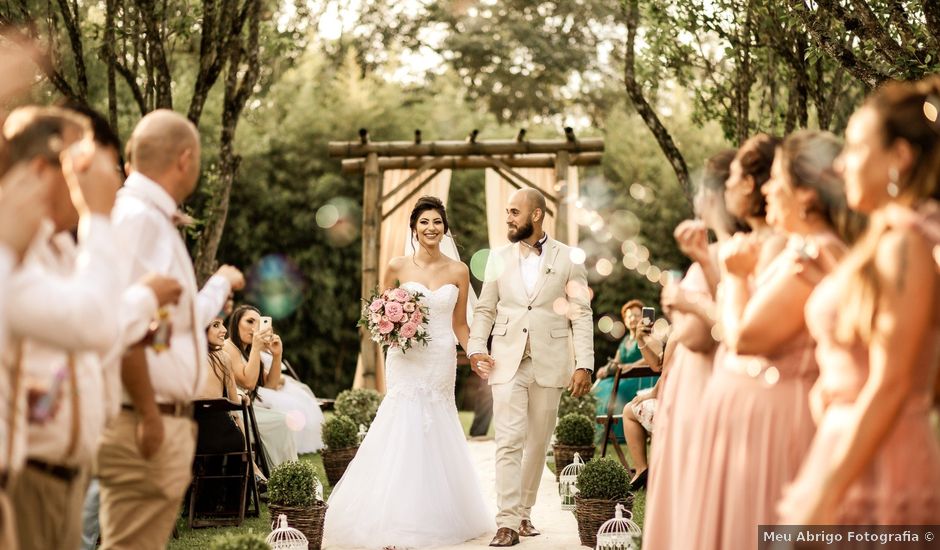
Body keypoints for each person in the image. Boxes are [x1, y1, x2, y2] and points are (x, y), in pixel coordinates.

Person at [778, 77, 940, 526]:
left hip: (883, 460)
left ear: (899, 157)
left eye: (855, 148)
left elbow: (892, 384)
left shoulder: (906, 245)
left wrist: (827, 494)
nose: (842, 165)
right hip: (850, 444)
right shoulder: (885, 240)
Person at [684, 130, 850, 550]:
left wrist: (736, 275)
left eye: (776, 179)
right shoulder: (801, 249)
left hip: (779, 422)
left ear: (808, 195)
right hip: (756, 417)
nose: (767, 190)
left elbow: (744, 337)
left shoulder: (811, 254)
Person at [95, 109, 244, 550]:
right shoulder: (138, 219)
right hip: (147, 417)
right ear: (185, 159)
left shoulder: (152, 219)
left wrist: (218, 287)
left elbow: (163, 327)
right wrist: (148, 414)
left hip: (162, 415)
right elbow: (122, 326)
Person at [324, 196, 493, 549]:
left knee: (437, 425)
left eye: (437, 222)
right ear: (414, 228)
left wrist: (476, 352)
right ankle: (394, 513)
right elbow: (376, 314)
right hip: (405, 357)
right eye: (424, 222)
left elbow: (461, 324)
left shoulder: (459, 271)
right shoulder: (397, 266)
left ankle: (438, 512)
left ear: (445, 228)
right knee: (402, 421)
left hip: (441, 356)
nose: (431, 228)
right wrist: (392, 329)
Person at [0, 106, 125, 550]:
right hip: (25, 480)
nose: (100, 178)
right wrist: (99, 218)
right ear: (39, 169)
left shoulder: (62, 251)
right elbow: (92, 323)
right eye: (83, 164)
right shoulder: (15, 257)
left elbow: (103, 334)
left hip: (68, 476)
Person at [468, 188, 595, 546]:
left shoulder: (569, 258)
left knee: (537, 443)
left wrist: (584, 362)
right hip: (505, 361)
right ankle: (506, 522)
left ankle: (524, 512)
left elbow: (581, 313)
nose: (508, 218)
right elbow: (485, 310)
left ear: (536, 215)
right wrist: (477, 347)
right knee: (508, 441)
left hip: (551, 361)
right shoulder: (497, 257)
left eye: (513, 212)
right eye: (507, 211)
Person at [641, 149, 735, 550]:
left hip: (702, 392)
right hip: (693, 388)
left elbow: (700, 336)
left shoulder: (724, 255)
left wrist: (680, 303)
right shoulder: (717, 254)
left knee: (693, 506)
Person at [226, 305, 324, 453]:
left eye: (258, 323)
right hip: (236, 411)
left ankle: (285, 470)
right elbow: (249, 383)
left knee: (286, 418)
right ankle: (280, 471)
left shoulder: (248, 352)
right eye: (250, 321)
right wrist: (256, 349)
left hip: (250, 407)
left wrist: (277, 355)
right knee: (284, 420)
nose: (254, 328)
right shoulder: (229, 347)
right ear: (236, 323)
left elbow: (270, 385)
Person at [591, 299, 661, 444]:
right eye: (629, 316)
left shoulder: (649, 336)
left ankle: (620, 434)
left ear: (643, 317)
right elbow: (617, 361)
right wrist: (605, 368)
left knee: (616, 390)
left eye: (636, 315)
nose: (633, 319)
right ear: (625, 319)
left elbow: (657, 358)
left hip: (641, 377)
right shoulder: (625, 340)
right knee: (601, 388)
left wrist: (631, 365)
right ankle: (601, 434)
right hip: (624, 376)